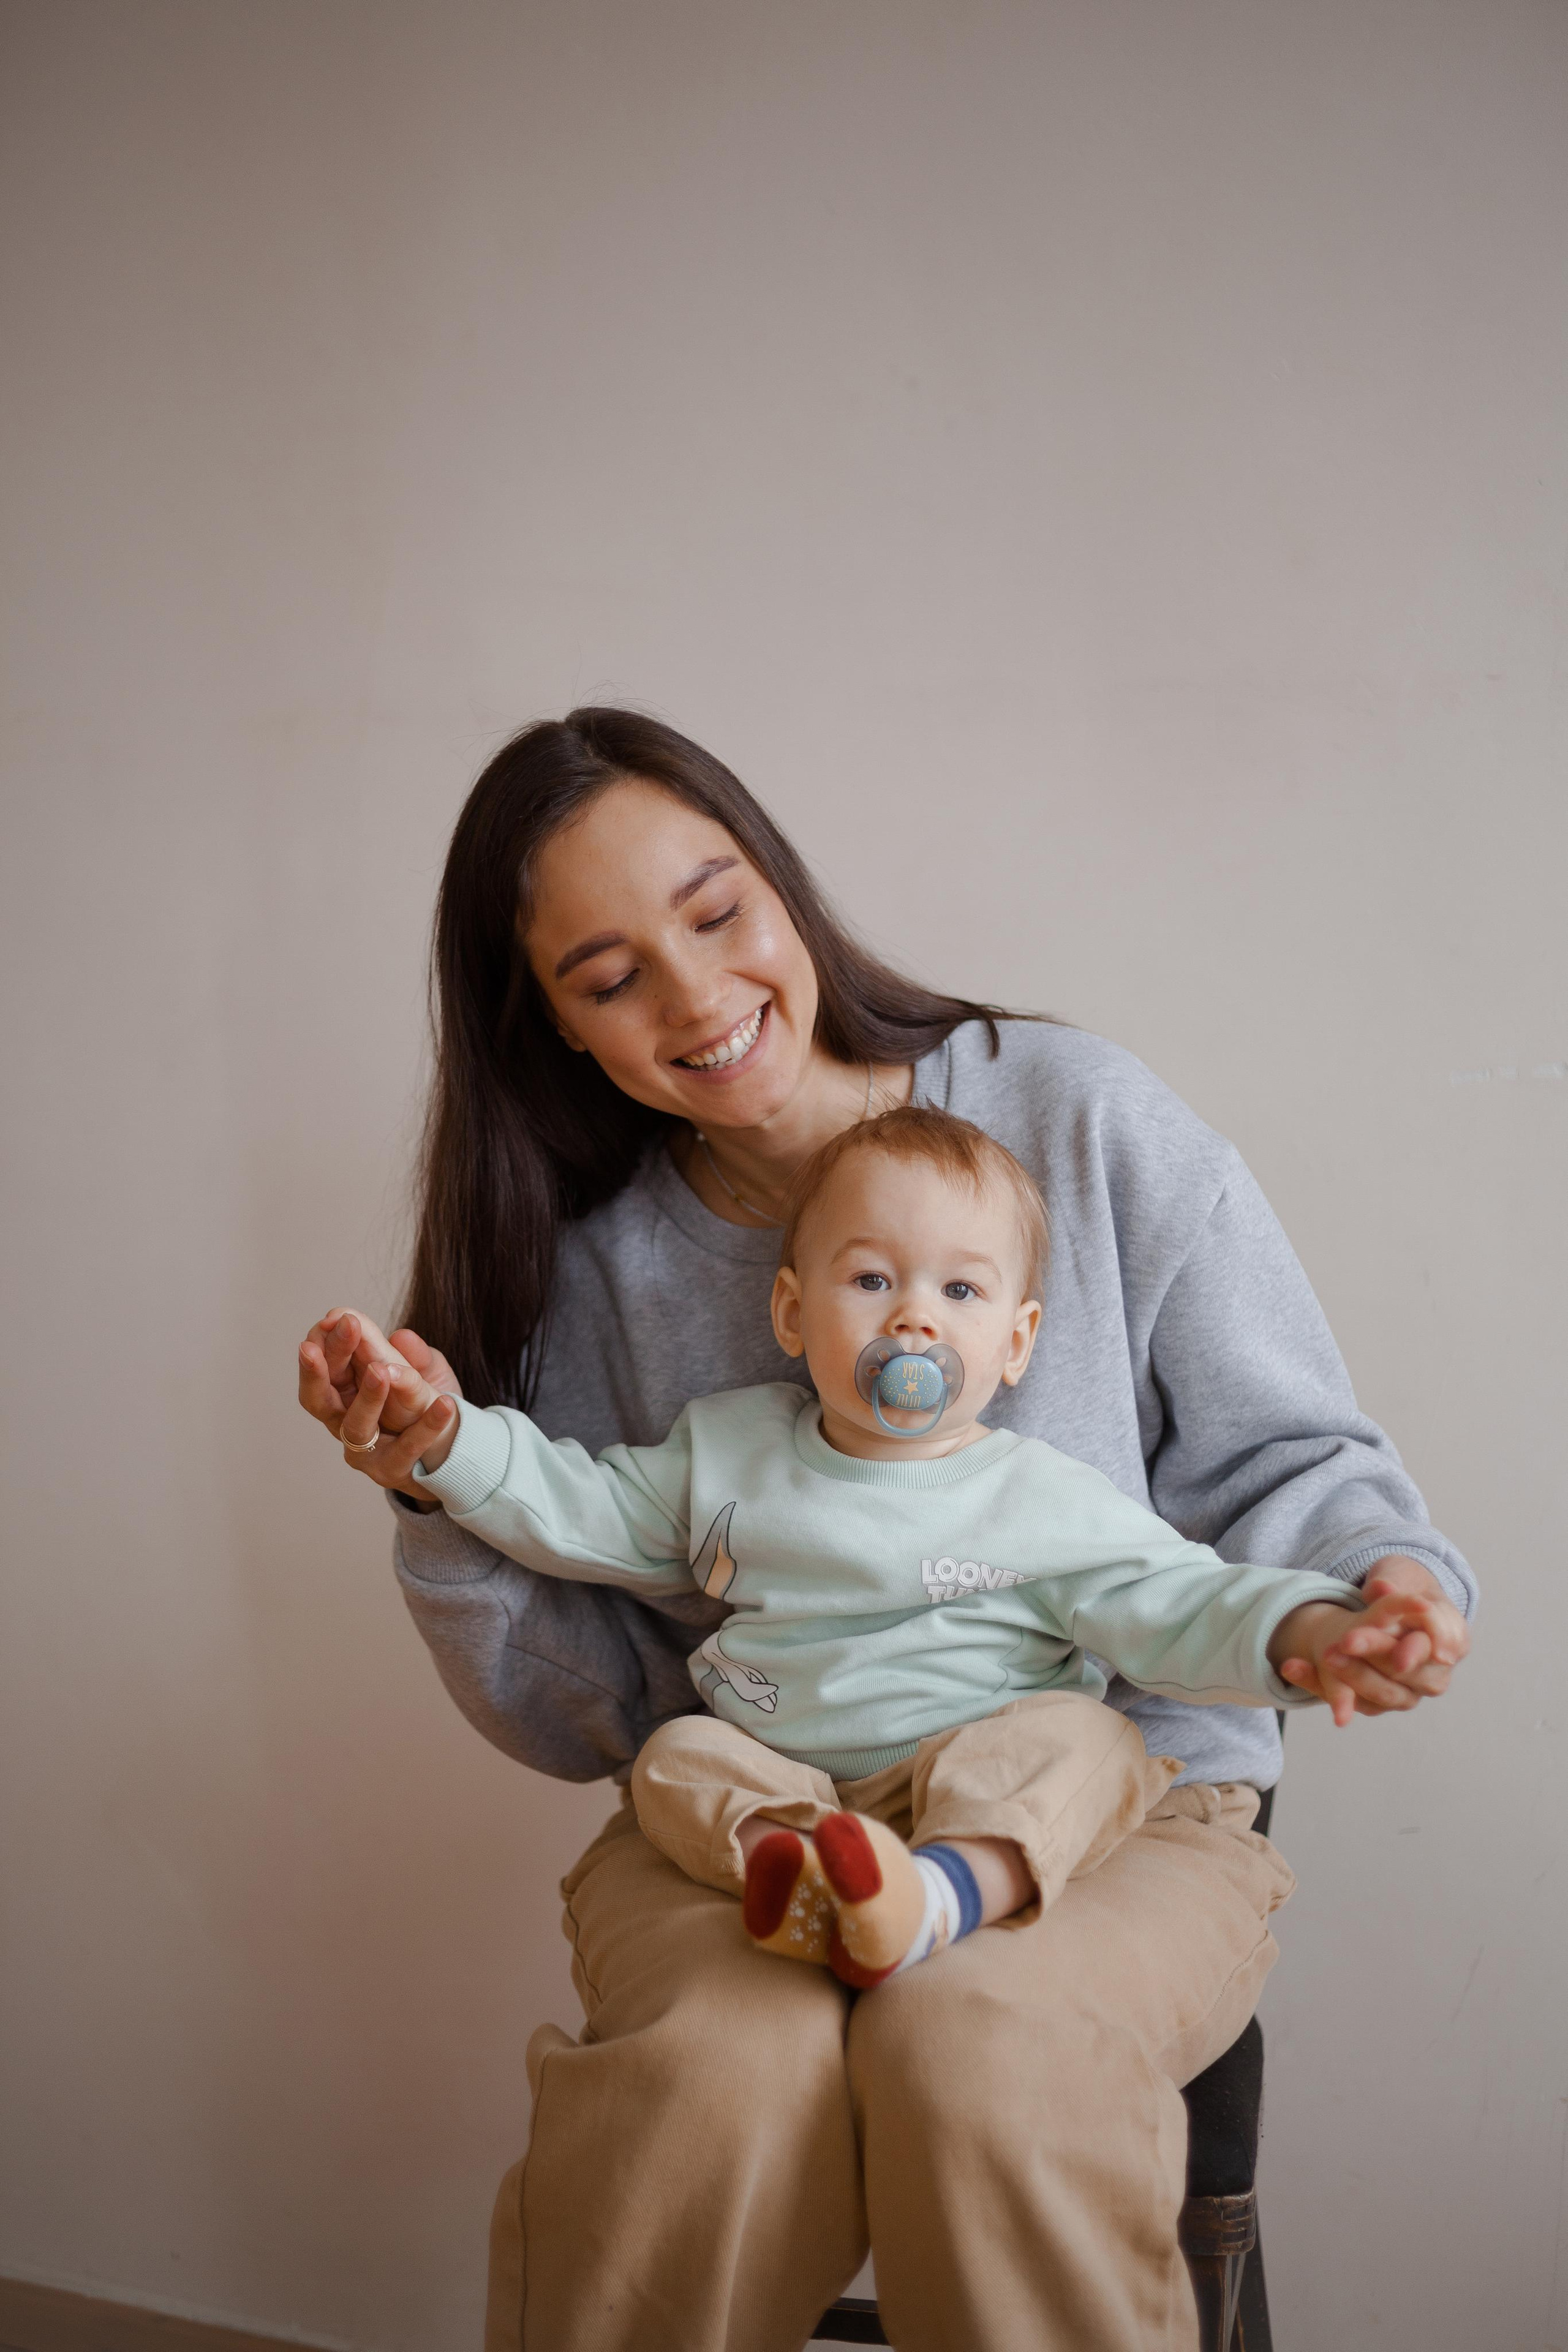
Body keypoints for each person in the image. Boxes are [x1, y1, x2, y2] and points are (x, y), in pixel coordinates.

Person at [297, 707, 1474, 2352]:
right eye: (609, 974)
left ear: (780, 886)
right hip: (764, 1814)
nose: (698, 997)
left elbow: (1270, 1479)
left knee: (984, 2048)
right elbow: (589, 1701)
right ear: (552, 1026)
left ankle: (944, 1895)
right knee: (712, 2077)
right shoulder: (603, 1287)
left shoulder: (1071, 1118)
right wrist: (437, 1477)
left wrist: (1367, 1593)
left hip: (1111, 1816)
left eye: (714, 913)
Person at [356, 1102, 1460, 1994]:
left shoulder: (1040, 1498)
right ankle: (792, 1876)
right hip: (794, 1780)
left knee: (1089, 1743)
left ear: (1017, 1342)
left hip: (965, 1778)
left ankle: (933, 1898)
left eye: (962, 1289)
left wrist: (1318, 1628)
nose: (914, 1320)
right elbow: (576, 1501)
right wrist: (449, 1442)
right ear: (793, 1313)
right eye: (872, 1280)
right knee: (675, 1761)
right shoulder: (728, 1454)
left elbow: (1179, 1601)